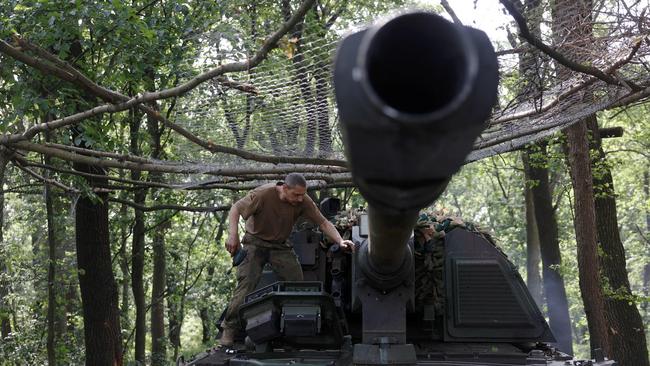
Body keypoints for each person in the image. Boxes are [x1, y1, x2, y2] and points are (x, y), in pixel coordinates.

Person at [220, 173, 354, 346]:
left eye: (302, 195)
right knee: (247, 284)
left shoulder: (303, 201)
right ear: (284, 188)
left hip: (280, 246)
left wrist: (341, 241)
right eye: (296, 195)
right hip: (255, 243)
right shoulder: (263, 194)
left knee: (298, 284)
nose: (300, 199)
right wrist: (233, 236)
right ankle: (229, 329)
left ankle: (297, 325)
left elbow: (323, 223)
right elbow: (235, 209)